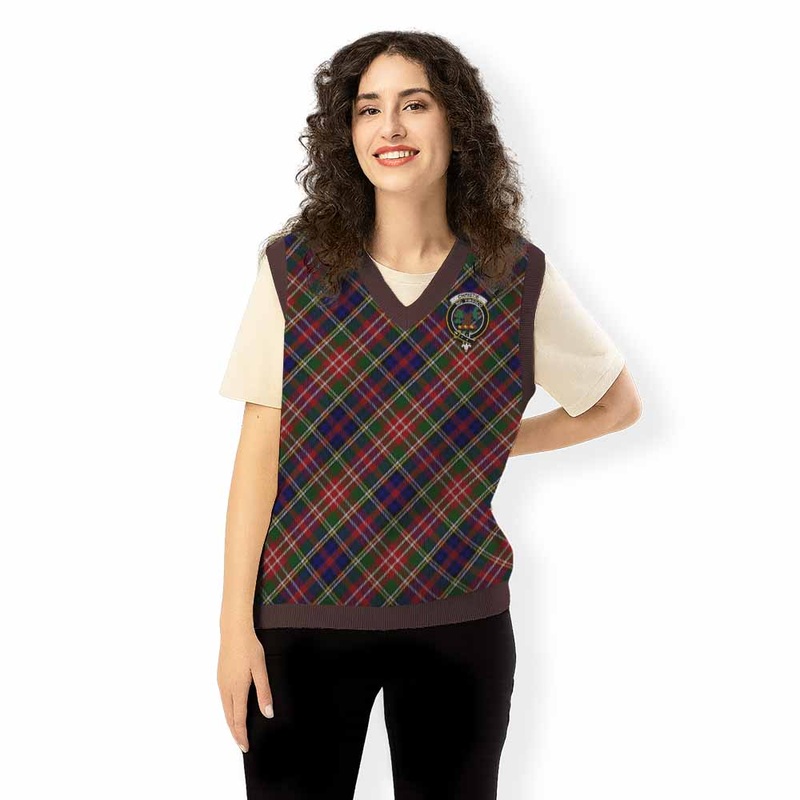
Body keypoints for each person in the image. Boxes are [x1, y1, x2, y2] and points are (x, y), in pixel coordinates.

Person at [217, 30, 642, 800]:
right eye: (367, 109)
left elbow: (615, 405)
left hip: (459, 624)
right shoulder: (292, 268)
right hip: (300, 624)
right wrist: (232, 630)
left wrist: (481, 443)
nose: (390, 127)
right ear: (345, 134)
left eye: (414, 104)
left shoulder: (513, 275)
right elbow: (257, 455)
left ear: (456, 122)